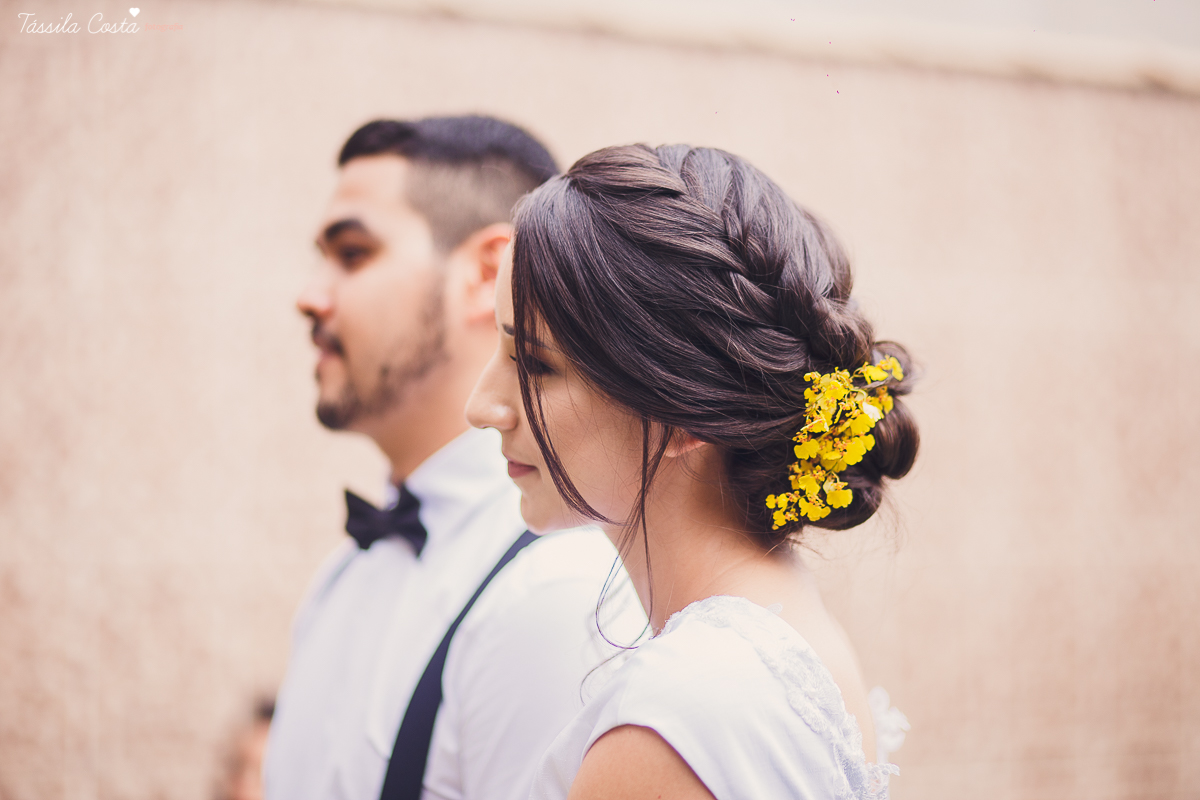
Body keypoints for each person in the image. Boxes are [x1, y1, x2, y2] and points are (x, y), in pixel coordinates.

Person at [466, 143, 920, 800]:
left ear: (684, 415)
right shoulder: (772, 641)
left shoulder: (670, 726)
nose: (482, 408)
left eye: (534, 364)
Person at [264, 117, 643, 800]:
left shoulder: (558, 586)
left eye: (353, 254)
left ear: (485, 272)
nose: (310, 297)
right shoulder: (344, 573)